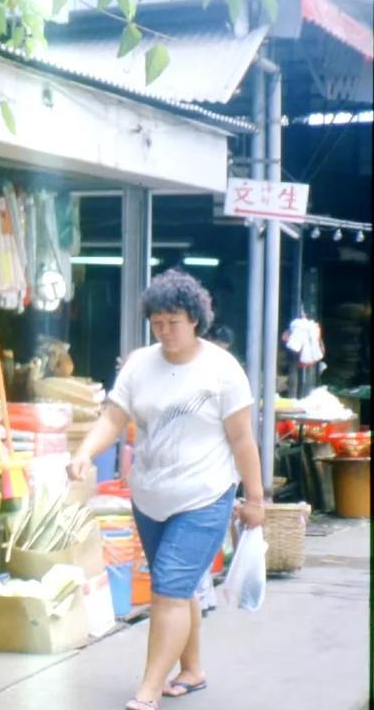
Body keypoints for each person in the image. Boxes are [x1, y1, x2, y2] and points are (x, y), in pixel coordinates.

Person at [67, 269, 265, 710]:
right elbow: (113, 418)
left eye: (173, 320)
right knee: (179, 584)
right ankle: (191, 670)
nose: (165, 330)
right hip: (150, 496)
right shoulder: (140, 364)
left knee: (169, 589)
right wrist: (83, 453)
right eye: (157, 321)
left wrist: (255, 499)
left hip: (204, 495)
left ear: (195, 319)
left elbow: (242, 440)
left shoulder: (222, 369)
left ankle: (149, 689)